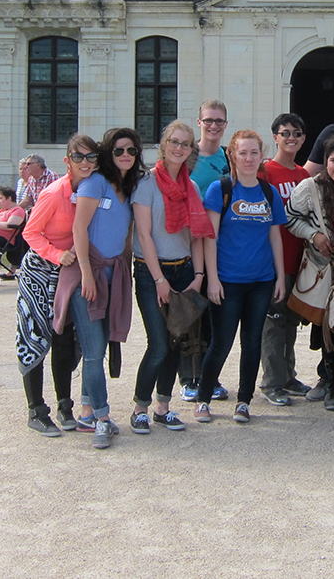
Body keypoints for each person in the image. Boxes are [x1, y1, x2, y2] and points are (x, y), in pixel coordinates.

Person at [53, 128, 143, 448]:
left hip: (112, 274)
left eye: (131, 151)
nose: (125, 157)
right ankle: (104, 418)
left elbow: (126, 235)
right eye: (118, 151)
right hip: (86, 276)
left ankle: (88, 411)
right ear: (108, 153)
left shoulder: (127, 188)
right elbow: (80, 228)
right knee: (92, 352)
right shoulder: (95, 183)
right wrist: (88, 276)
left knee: (100, 346)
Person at [128, 120, 215, 434]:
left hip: (184, 270)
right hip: (153, 272)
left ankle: (163, 407)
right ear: (163, 145)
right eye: (174, 142)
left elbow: (196, 235)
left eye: (186, 144)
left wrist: (199, 274)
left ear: (191, 150)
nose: (179, 148)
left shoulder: (189, 187)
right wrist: (159, 280)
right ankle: (140, 407)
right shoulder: (147, 183)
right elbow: (144, 234)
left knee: (177, 340)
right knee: (159, 343)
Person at [196, 130, 287, 424]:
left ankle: (244, 401)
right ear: (231, 155)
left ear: (262, 156)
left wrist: (281, 278)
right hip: (228, 281)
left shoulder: (268, 193)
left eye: (254, 153)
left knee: (252, 344)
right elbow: (210, 238)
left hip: (261, 281)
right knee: (221, 343)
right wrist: (212, 279)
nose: (248, 159)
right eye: (242, 153)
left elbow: (275, 238)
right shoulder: (219, 190)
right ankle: (203, 398)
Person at [16, 133, 98, 436]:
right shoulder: (54, 193)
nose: (85, 162)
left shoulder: (93, 190)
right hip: (40, 272)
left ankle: (65, 405)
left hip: (69, 273)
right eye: (79, 157)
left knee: (64, 339)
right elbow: (30, 232)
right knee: (35, 338)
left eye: (91, 157)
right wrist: (56, 254)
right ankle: (36, 409)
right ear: (68, 161)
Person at [285, 135, 334, 410]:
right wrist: (314, 234)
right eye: (333, 161)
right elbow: (291, 216)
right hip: (325, 270)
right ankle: (333, 386)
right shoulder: (311, 188)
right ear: (325, 162)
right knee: (330, 330)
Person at [258, 113, 312, 405]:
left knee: (290, 323)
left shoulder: (304, 175)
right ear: (275, 137)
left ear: (303, 139)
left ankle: (287, 376)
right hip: (272, 262)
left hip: (298, 260)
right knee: (273, 323)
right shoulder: (266, 172)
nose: (291, 138)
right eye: (285, 133)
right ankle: (271, 382)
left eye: (297, 133)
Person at [181, 99, 232, 402]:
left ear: (226, 125)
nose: (213, 126)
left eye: (219, 121)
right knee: (189, 315)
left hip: (220, 246)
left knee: (215, 316)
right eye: (208, 120)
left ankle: (210, 378)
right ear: (198, 122)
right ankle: (189, 378)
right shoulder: (186, 156)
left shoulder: (230, 159)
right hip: (187, 246)